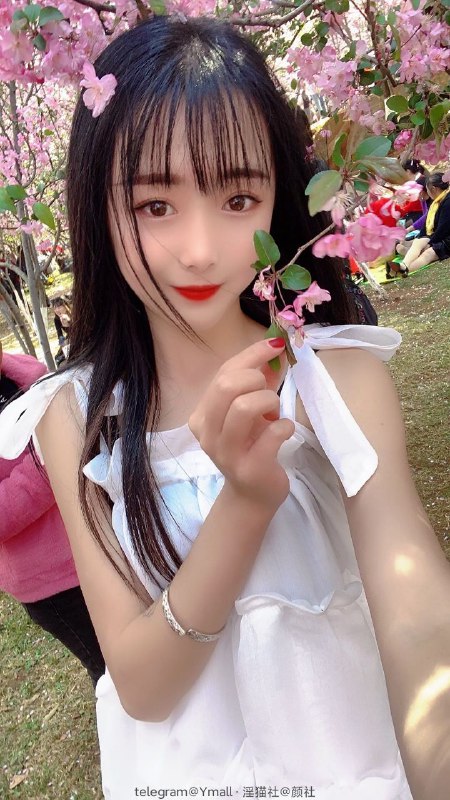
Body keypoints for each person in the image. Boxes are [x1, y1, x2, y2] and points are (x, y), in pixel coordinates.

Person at [0, 16, 449, 799]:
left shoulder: (334, 377)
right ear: (97, 205)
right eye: (154, 205)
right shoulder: (73, 414)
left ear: (278, 196)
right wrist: (243, 504)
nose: (201, 249)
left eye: (239, 196)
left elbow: (417, 616)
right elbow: (143, 687)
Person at [0, 343, 105, 686]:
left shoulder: (14, 369)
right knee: (110, 669)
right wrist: (53, 465)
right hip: (53, 581)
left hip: (92, 534)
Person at [398, 172, 450, 273]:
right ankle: (403, 266)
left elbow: (443, 229)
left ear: (434, 189)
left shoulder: (447, 201)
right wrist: (421, 238)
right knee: (418, 242)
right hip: (440, 236)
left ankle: (403, 270)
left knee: (428, 253)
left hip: (446, 239)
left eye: (428, 189)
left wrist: (430, 243)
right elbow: (426, 225)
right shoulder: (437, 202)